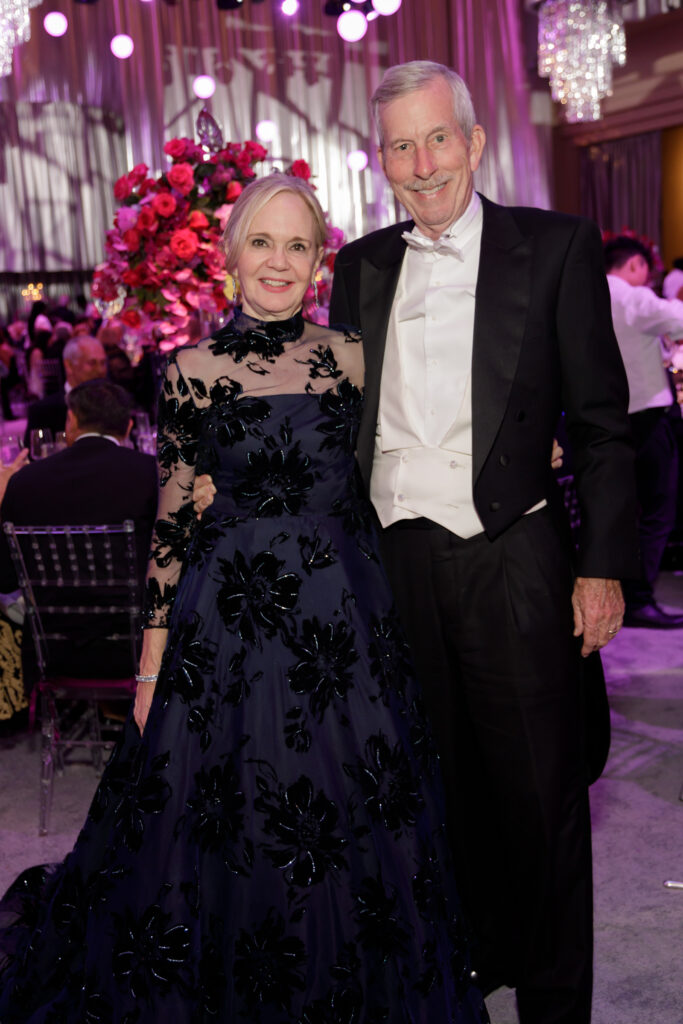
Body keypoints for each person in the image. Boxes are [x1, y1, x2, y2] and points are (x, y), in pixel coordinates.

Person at [0, 174, 487, 1024]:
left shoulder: (351, 356)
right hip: (227, 626)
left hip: (342, 626)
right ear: (230, 258)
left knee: (356, 816)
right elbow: (170, 522)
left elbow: (414, 445)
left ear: (318, 261)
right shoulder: (191, 370)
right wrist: (150, 665)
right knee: (215, 821)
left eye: (297, 245)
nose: (278, 262)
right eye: (262, 242)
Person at [323, 61, 639, 1024]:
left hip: (512, 558)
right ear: (379, 160)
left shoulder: (553, 246)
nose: (422, 165)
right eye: (400, 147)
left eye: (437, 139)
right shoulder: (359, 267)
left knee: (540, 801)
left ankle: (552, 1006)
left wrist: (601, 568)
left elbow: (601, 427)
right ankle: (457, 979)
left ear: (473, 140)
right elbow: (336, 422)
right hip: (394, 570)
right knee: (430, 794)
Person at [0, 380, 158, 682]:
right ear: (127, 427)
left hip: (53, 650)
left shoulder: (24, 481)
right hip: (136, 649)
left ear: (71, 420)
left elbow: (5, 579)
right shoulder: (152, 474)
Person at [604, 235, 683, 627]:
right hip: (648, 416)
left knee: (626, 510)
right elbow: (678, 319)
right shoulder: (630, 297)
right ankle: (638, 599)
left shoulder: (592, 293)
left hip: (615, 416)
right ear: (635, 264)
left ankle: (629, 594)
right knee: (657, 511)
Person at [23, 334, 107, 449]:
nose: (100, 370)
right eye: (92, 363)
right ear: (69, 366)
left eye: (103, 363)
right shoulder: (43, 411)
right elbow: (35, 455)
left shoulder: (114, 404)